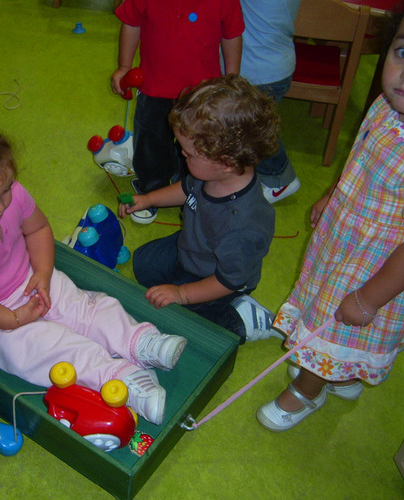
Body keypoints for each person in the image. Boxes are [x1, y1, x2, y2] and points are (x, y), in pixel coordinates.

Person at [0, 109, 188, 426]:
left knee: (89, 308)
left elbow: (38, 230)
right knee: (43, 350)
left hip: (31, 278)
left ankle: (139, 341)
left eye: (5, 191)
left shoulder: (12, 194)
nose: (0, 207)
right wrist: (13, 319)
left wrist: (43, 273)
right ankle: (119, 378)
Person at [257, 0, 404, 432]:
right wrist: (333, 193)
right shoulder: (386, 108)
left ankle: (307, 389)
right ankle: (341, 371)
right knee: (329, 311)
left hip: (382, 266)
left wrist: (368, 298)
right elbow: (360, 158)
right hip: (348, 233)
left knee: (333, 322)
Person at [119, 75, 283, 343]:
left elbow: (228, 280)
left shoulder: (240, 227)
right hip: (192, 247)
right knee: (144, 264)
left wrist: (181, 294)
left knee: (182, 323)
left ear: (226, 162)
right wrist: (148, 199)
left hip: (217, 277)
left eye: (188, 153)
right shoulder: (211, 172)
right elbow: (186, 188)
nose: (181, 155)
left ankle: (243, 318)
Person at [110, 0, 244, 223]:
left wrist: (231, 80)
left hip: (202, 93)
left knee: (199, 149)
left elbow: (231, 36)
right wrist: (124, 66)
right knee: (151, 142)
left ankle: (193, 194)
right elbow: (132, 23)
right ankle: (151, 187)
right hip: (154, 85)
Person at [239, 0, 301, 203]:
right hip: (276, 63)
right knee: (254, 125)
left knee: (253, 128)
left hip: (259, 70)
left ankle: (279, 179)